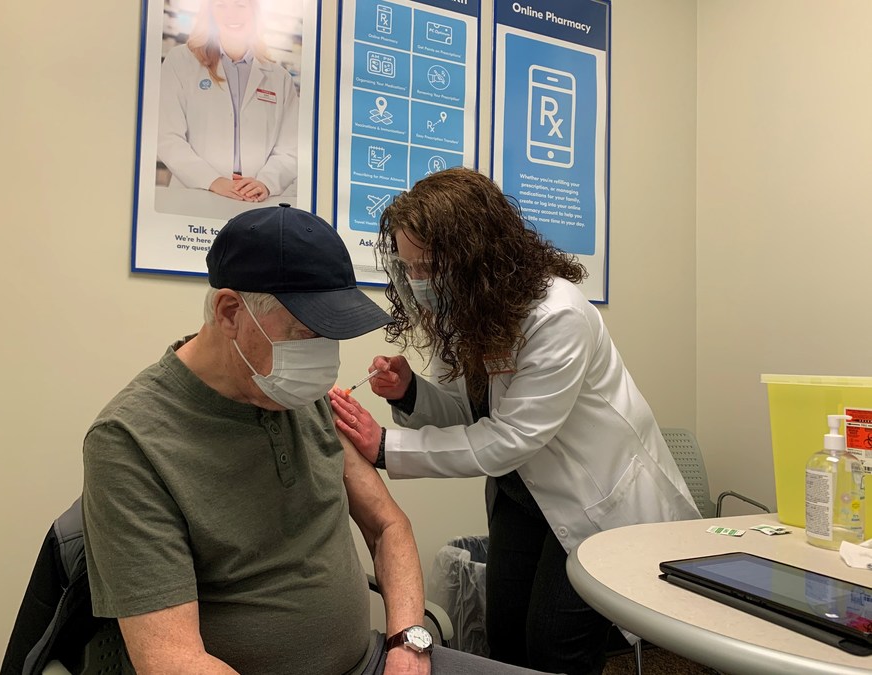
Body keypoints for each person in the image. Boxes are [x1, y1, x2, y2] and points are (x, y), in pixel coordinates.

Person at [82, 204, 548, 675]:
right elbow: (171, 660)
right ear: (229, 312)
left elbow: (388, 527)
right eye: (306, 335)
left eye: (331, 337)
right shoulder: (131, 441)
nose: (322, 362)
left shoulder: (295, 397)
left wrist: (409, 643)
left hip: (374, 660)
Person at [329, 168, 702, 675]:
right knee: (505, 636)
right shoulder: (466, 313)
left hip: (591, 500)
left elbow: (511, 437)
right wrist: (411, 392)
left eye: (431, 267)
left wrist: (385, 448)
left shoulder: (557, 317)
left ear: (478, 254)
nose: (419, 283)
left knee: (557, 646)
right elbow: (471, 411)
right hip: (521, 496)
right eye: (410, 267)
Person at [157, 0, 298, 203]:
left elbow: (290, 149)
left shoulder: (279, 77)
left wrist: (266, 182)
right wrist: (213, 181)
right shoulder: (181, 61)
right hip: (196, 194)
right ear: (210, 12)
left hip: (257, 201)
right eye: (221, 5)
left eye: (240, 5)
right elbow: (167, 137)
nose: (231, 14)